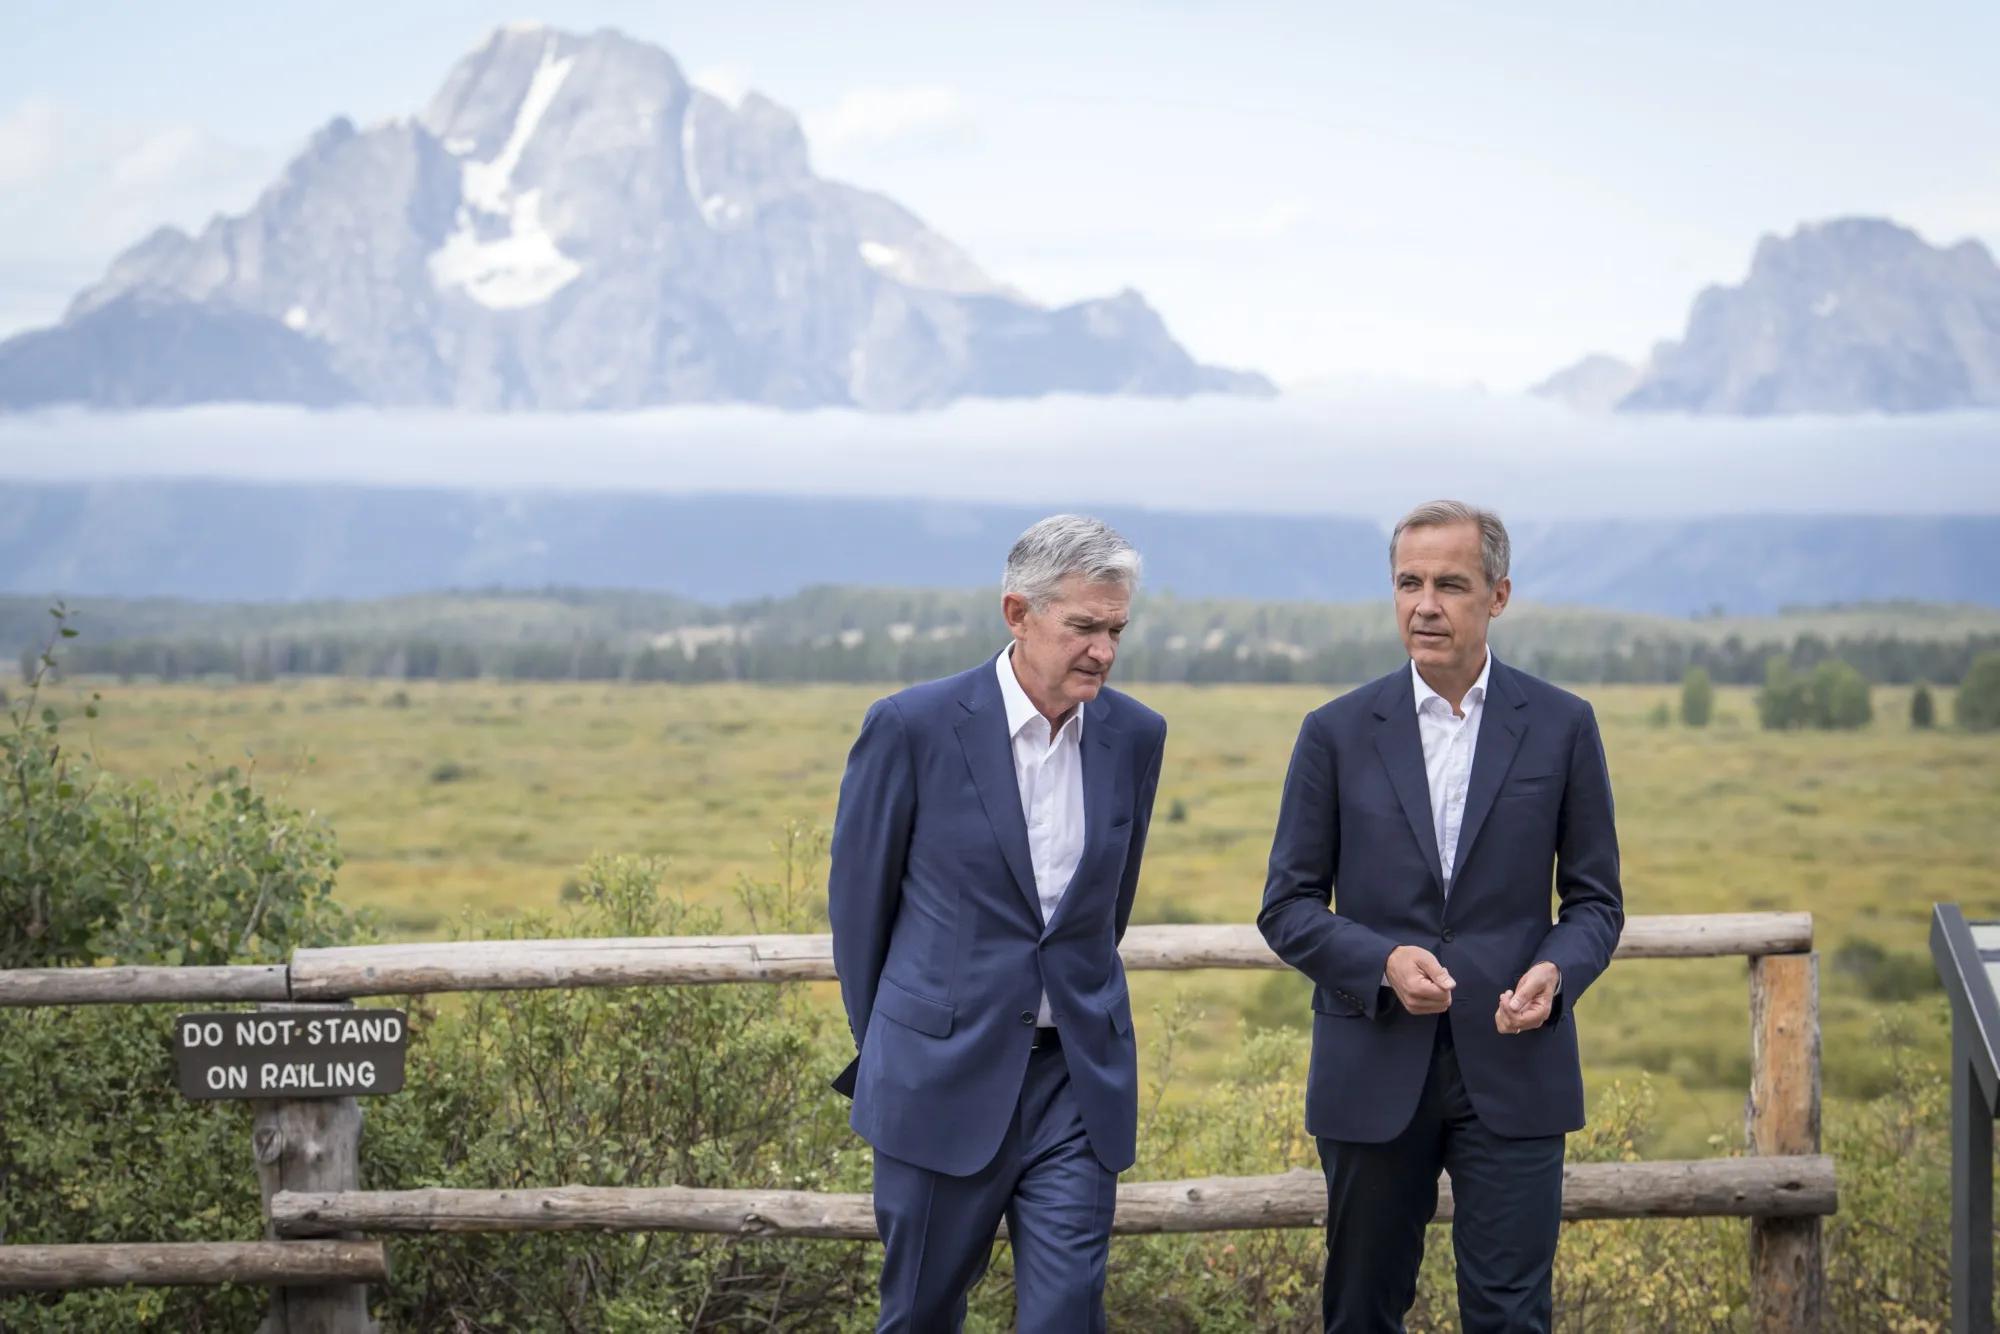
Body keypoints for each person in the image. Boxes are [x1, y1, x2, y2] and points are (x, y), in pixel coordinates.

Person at [1257, 499, 1623, 1333]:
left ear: (1497, 596)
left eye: (1450, 584)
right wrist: (1382, 962)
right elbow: (1286, 907)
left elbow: (1596, 902)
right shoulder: (1335, 732)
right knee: (1362, 1309)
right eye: (1408, 583)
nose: (1425, 604)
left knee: (1509, 1316)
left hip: (1518, 1059)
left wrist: (1557, 971)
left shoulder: (1563, 725)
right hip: (1372, 1064)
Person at [828, 514, 1169, 1332]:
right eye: (1083, 626)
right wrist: (906, 1051)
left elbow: (1102, 916)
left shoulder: (1136, 736)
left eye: (1116, 629)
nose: (1104, 650)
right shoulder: (910, 727)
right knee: (920, 1313)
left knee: (1066, 1317)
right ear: (1018, 614)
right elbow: (859, 917)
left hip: (1076, 1083)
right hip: (938, 1079)